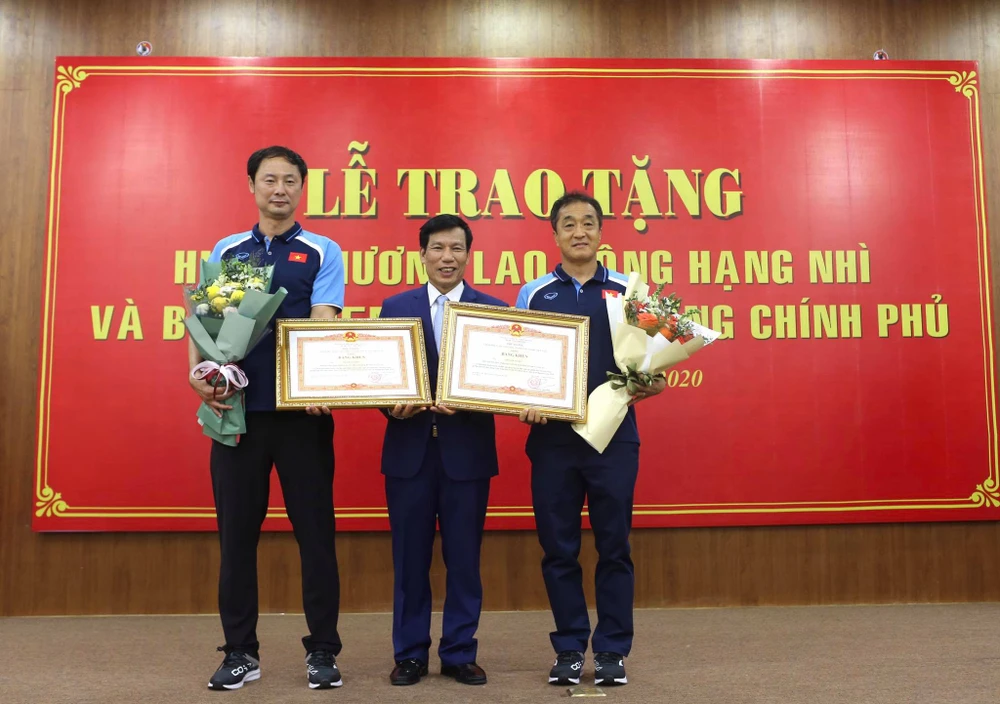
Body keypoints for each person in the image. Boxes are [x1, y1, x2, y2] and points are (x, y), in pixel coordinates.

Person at [189, 145, 346, 691]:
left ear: (302, 187)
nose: (280, 189)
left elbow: (323, 322)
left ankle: (323, 650)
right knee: (236, 539)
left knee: (316, 537)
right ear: (252, 185)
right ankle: (240, 652)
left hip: (302, 416)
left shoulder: (322, 250)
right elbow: (205, 322)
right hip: (237, 414)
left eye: (290, 181)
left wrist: (317, 383)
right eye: (269, 179)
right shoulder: (228, 250)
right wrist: (198, 375)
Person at [515, 191, 665, 688]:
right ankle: (569, 648)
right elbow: (518, 365)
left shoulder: (629, 290)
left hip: (614, 439)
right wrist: (523, 400)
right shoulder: (533, 293)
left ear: (601, 232)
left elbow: (654, 362)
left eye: (588, 223)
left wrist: (653, 381)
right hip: (553, 442)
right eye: (568, 224)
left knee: (614, 546)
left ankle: (612, 650)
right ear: (554, 234)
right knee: (558, 548)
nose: (579, 231)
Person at [378, 214, 508, 687]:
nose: (446, 257)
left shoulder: (492, 310)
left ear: (468, 255)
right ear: (422, 254)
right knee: (409, 561)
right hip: (408, 454)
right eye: (437, 248)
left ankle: (459, 651)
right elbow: (381, 379)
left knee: (465, 560)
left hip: (466, 454)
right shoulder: (396, 307)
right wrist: (392, 409)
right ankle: (410, 653)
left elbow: (503, 383)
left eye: (456, 248)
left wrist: (475, 399)